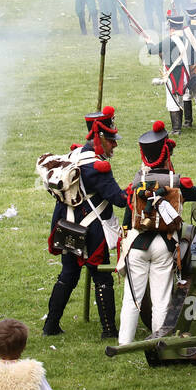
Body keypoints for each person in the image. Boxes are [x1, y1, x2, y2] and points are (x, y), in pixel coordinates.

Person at [117, 121, 196, 344]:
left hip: (137, 245)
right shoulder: (176, 181)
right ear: (166, 153)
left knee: (131, 299)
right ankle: (159, 342)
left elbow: (128, 218)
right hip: (164, 245)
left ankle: (124, 342)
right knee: (161, 299)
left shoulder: (137, 183)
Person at [41, 108, 126, 338]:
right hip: (90, 231)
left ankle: (50, 326)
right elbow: (118, 199)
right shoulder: (97, 167)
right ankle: (109, 330)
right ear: (99, 138)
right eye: (110, 141)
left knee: (68, 274)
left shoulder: (74, 155)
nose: (114, 146)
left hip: (66, 226)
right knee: (102, 277)